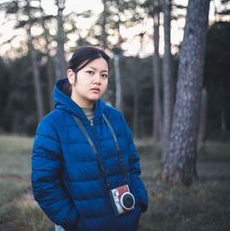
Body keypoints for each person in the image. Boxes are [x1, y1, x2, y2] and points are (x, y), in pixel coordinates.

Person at [31, 46, 148, 231]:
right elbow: (44, 185)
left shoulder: (115, 118)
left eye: (104, 75)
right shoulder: (51, 125)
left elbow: (132, 164)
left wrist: (139, 201)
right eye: (90, 72)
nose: (98, 80)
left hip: (125, 223)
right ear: (72, 76)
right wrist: (74, 222)